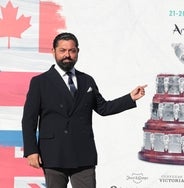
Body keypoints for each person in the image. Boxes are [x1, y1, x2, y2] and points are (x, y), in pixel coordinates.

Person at [22, 32, 147, 188]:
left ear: (77, 52)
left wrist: (130, 98)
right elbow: (29, 120)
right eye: (62, 50)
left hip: (83, 153)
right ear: (53, 52)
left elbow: (103, 108)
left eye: (71, 51)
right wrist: (31, 151)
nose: (67, 55)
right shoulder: (40, 82)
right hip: (53, 153)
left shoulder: (87, 80)